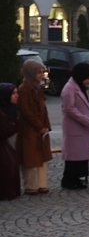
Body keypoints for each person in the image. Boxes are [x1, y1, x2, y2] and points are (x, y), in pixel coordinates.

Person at [16, 60, 52, 195]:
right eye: (38, 72)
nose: (41, 75)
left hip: (40, 127)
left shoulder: (36, 87)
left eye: (42, 72)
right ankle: (32, 185)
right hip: (30, 129)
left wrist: (46, 126)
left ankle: (42, 184)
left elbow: (43, 109)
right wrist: (39, 125)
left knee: (41, 156)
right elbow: (25, 111)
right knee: (31, 157)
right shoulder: (24, 89)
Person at [60, 62, 89, 191]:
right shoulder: (69, 88)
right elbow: (70, 109)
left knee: (81, 156)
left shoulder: (79, 86)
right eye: (88, 78)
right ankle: (70, 179)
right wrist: (86, 120)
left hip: (82, 128)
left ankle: (77, 178)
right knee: (74, 157)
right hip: (75, 127)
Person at [0, 84, 20, 200]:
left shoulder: (12, 110)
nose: (16, 96)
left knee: (12, 160)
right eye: (13, 94)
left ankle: (11, 191)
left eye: (17, 93)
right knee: (6, 162)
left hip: (5, 143)